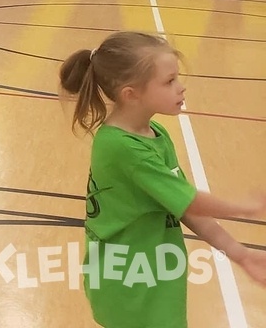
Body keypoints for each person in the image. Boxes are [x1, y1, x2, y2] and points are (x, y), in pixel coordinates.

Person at [59, 32, 266, 327]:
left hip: (157, 275)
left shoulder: (154, 133)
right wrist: (242, 207)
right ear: (131, 94)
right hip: (130, 282)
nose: (181, 88)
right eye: (169, 81)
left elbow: (184, 206)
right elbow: (192, 200)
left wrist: (241, 254)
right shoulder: (122, 147)